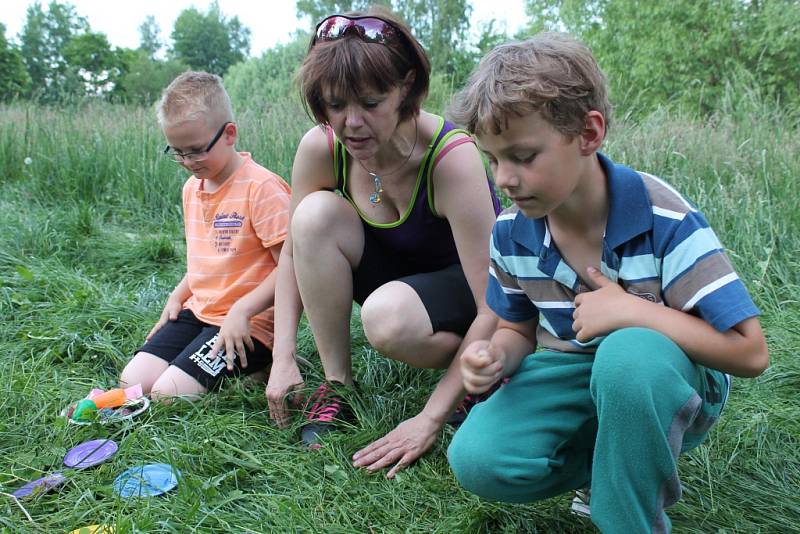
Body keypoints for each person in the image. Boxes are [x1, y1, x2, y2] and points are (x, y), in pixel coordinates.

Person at [445, 33, 769, 533]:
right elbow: (515, 328)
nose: (504, 178)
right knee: (478, 458)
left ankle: (626, 517)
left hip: (668, 376)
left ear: (588, 134)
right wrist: (494, 357)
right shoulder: (510, 232)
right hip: (571, 371)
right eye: (493, 159)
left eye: (523, 156)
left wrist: (635, 313)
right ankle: (617, 463)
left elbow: (750, 354)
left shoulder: (665, 217)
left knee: (627, 357)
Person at [265, 8, 501, 477]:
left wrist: (429, 417)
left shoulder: (451, 159)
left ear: (407, 87)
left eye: (371, 103)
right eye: (335, 105)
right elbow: (293, 251)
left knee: (386, 319)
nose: (351, 122)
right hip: (389, 282)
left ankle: (485, 374)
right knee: (311, 218)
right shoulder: (322, 146)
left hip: (465, 292)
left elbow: (496, 303)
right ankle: (337, 389)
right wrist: (282, 356)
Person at [120, 71, 291, 399]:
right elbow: (208, 262)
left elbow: (291, 269)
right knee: (132, 382)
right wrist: (177, 296)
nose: (187, 162)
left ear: (229, 134)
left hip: (249, 323)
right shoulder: (191, 189)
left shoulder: (262, 188)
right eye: (178, 152)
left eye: (196, 150)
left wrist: (242, 310)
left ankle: (261, 366)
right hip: (199, 312)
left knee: (167, 395)